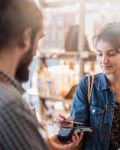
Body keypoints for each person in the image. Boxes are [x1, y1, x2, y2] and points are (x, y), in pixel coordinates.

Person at [0, 0, 83, 150]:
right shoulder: (11, 105)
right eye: (38, 39)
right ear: (26, 38)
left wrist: (45, 146)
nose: (36, 51)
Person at [56, 21, 120, 150]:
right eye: (100, 54)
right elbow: (78, 129)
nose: (104, 60)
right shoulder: (87, 85)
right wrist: (69, 127)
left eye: (111, 54)